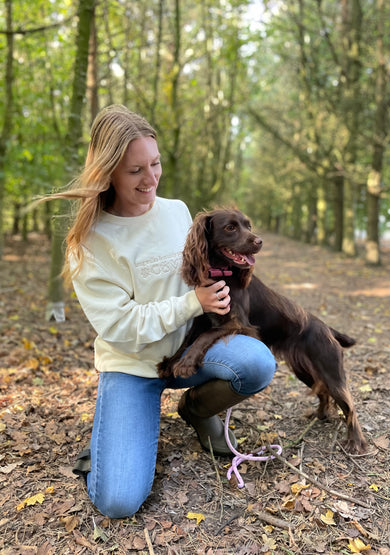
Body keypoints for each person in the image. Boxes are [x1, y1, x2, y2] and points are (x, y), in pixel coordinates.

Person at [54, 104, 276, 519]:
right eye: (135, 170)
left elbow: (205, 266)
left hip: (189, 353)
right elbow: (120, 326)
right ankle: (113, 436)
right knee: (118, 502)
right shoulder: (89, 244)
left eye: (154, 164)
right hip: (133, 366)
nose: (151, 178)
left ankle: (196, 409)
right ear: (108, 173)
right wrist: (194, 302)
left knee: (258, 363)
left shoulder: (176, 211)